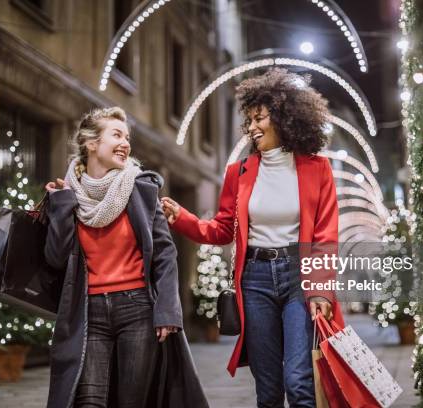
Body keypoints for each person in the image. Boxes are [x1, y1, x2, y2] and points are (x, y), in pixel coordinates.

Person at [161, 68, 344, 407]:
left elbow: (325, 234)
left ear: (285, 118)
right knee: (268, 385)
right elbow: (221, 229)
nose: (252, 127)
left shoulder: (316, 169)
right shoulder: (239, 172)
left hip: (298, 277)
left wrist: (321, 288)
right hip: (254, 281)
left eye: (260, 118)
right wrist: (182, 218)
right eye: (250, 120)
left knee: (300, 380)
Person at [43, 107, 207, 408]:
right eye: (116, 135)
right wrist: (61, 205)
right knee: (89, 401)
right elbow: (55, 257)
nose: (125, 143)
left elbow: (165, 253)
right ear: (91, 144)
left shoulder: (140, 188)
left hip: (138, 311)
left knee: (132, 401)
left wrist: (168, 310)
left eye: (127, 137)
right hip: (88, 311)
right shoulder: (69, 193)